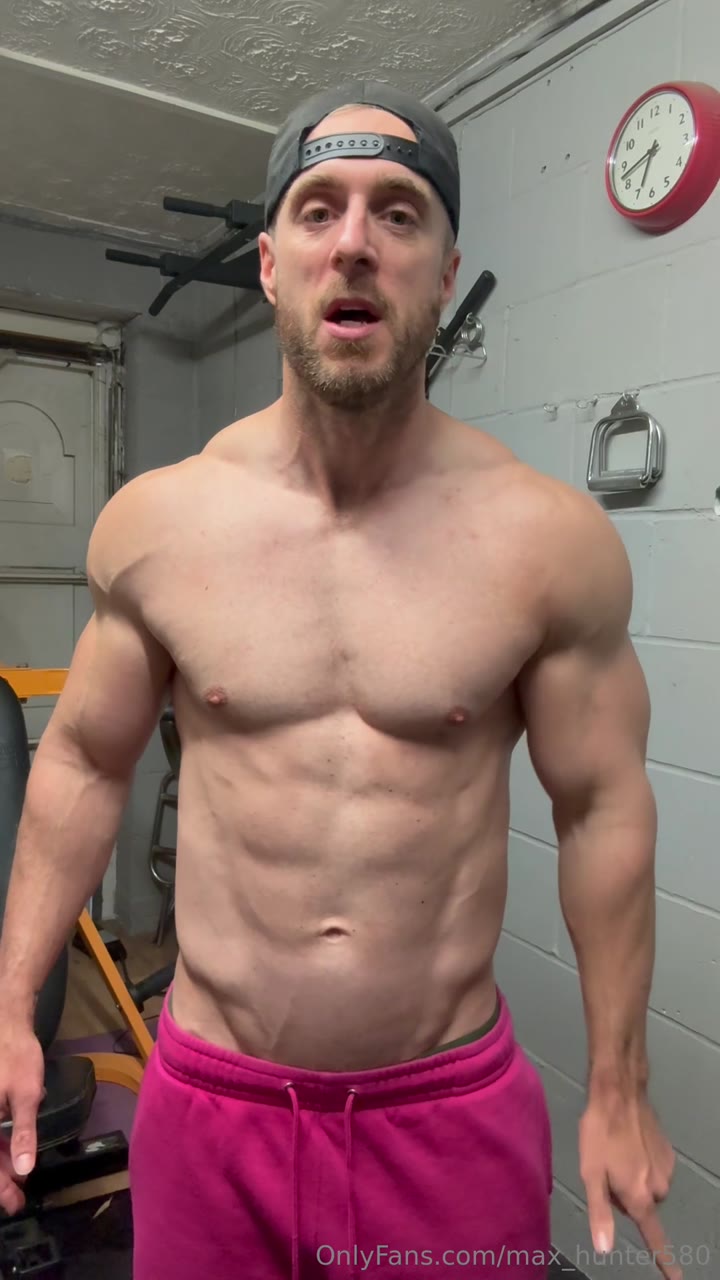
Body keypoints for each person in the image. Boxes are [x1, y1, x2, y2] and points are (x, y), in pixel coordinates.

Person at [0, 80, 680, 1280]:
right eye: (319, 209)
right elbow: (85, 762)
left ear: (443, 268)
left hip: (445, 1115)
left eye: (398, 212)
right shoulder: (159, 525)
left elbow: (603, 808)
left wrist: (620, 1082)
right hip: (211, 1104)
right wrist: (12, 1009)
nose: (355, 241)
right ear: (271, 265)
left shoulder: (546, 541)